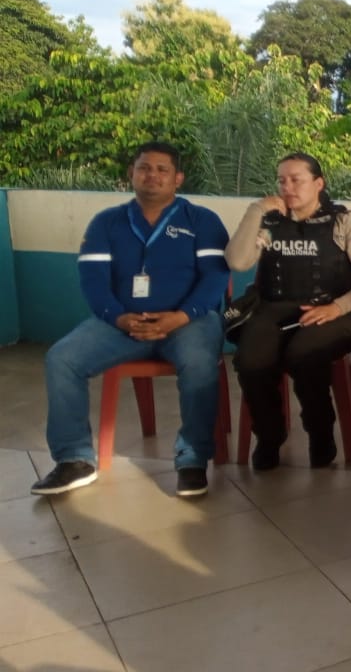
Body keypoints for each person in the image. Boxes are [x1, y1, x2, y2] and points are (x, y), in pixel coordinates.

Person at [32, 141, 229, 498]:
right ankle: (74, 459)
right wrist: (119, 317)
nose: (152, 175)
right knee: (62, 358)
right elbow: (93, 281)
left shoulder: (202, 221)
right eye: (144, 168)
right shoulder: (106, 222)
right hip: (122, 323)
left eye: (162, 169)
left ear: (178, 178)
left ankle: (192, 458)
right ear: (131, 174)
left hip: (188, 322)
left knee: (200, 362)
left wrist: (180, 317)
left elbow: (214, 280)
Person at [225, 152, 351, 470]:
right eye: (282, 181)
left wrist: (337, 308)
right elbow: (237, 262)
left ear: (318, 184)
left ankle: (320, 434)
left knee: (304, 355)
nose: (287, 187)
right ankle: (269, 436)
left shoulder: (344, 222)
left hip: (333, 313)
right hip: (273, 310)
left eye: (296, 180)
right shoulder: (268, 221)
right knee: (250, 361)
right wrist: (256, 210)